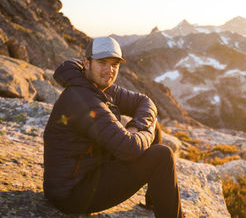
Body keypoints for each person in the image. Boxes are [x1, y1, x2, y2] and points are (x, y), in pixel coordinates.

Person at [43, 36, 182, 217]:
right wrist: (144, 128)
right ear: (86, 63)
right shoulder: (82, 99)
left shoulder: (96, 86)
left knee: (151, 125)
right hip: (72, 194)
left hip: (90, 170)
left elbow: (144, 101)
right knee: (162, 156)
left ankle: (156, 201)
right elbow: (129, 148)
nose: (109, 70)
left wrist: (138, 125)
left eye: (114, 64)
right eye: (102, 63)